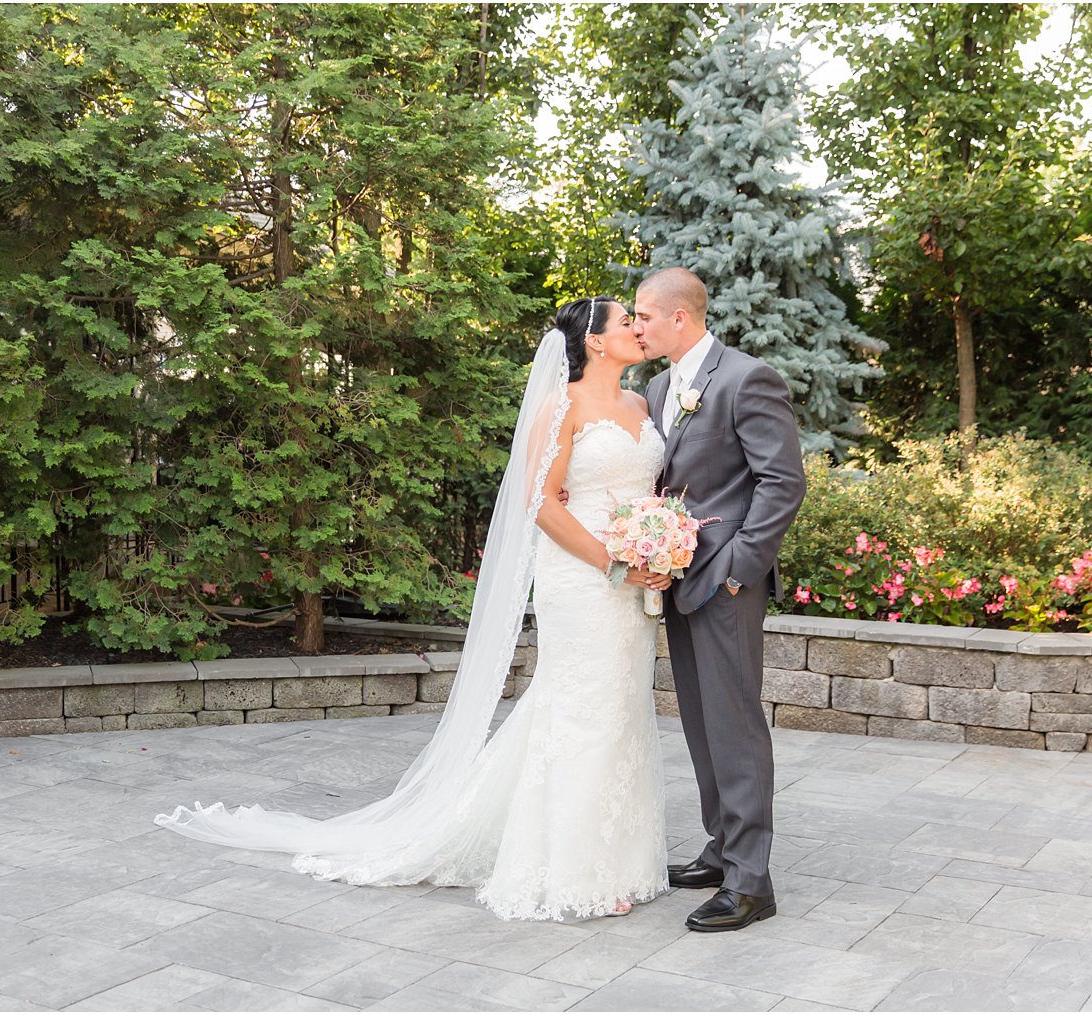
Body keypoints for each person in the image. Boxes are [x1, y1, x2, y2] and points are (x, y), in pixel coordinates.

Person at [156, 297, 674, 921]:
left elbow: (645, 491)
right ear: (593, 342)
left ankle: (617, 857)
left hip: (633, 582)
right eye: (625, 322)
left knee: (620, 708)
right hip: (585, 576)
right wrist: (612, 560)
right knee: (580, 711)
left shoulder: (642, 405)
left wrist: (657, 540)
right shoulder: (560, 407)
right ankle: (571, 866)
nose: (637, 331)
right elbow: (542, 504)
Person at [633, 266, 806, 932]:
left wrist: (739, 568)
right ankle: (721, 846)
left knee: (734, 722)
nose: (637, 325)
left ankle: (751, 880)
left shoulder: (746, 378)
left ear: (681, 316)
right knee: (702, 722)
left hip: (727, 582)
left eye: (644, 315)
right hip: (676, 576)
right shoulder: (655, 386)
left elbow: (781, 483)